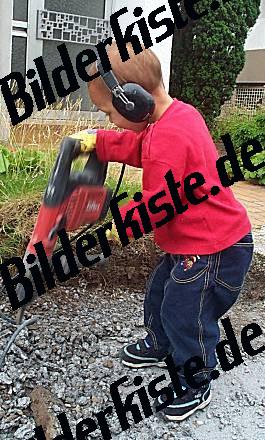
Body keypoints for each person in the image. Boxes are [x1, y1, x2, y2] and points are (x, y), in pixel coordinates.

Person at [71, 41, 254, 421]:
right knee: (160, 292)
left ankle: (195, 380)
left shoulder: (168, 137)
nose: (108, 119)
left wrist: (114, 220)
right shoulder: (175, 116)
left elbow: (158, 205)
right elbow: (139, 146)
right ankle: (159, 343)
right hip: (196, 243)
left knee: (185, 312)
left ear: (131, 101)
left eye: (108, 113)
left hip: (215, 249)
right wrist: (100, 142)